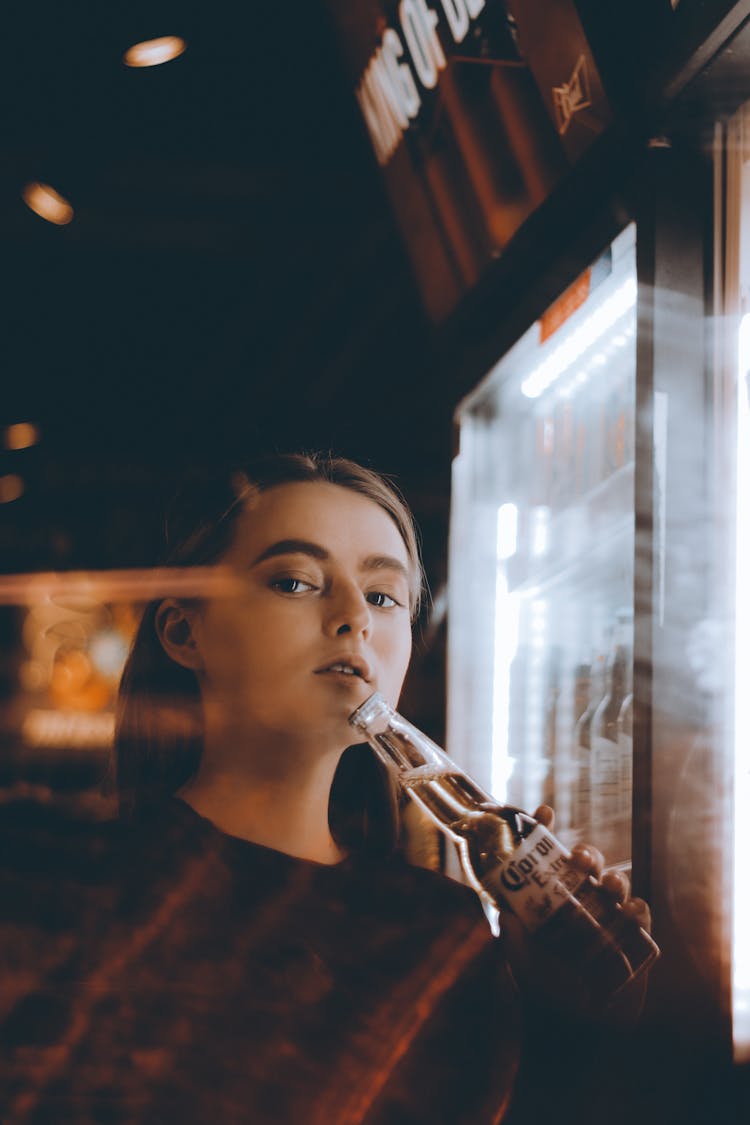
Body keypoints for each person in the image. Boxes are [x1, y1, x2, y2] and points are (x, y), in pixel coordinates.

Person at [1, 452, 653, 1125]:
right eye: (294, 581)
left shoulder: (438, 931)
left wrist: (565, 1013)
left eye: (382, 595)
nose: (354, 618)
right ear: (182, 630)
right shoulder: (63, 880)